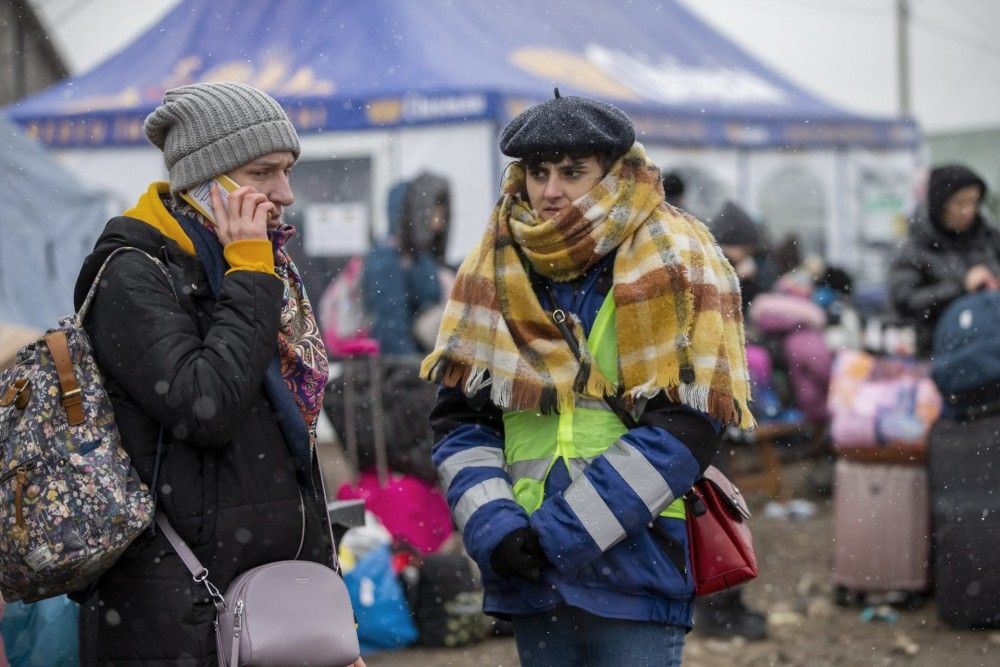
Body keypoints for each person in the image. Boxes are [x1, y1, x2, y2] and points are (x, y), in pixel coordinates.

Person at [421, 91, 754, 667]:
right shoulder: (493, 266)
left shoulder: (679, 258)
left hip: (636, 560)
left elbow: (689, 424)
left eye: (572, 172)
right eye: (539, 172)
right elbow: (461, 422)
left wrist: (561, 532)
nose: (551, 191)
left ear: (614, 173)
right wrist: (494, 526)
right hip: (527, 566)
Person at [73, 82, 363, 667]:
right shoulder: (133, 274)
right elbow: (205, 406)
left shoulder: (249, 263)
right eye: (263, 173)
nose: (284, 193)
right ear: (206, 179)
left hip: (272, 606)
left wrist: (332, 621)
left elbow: (295, 452)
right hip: (177, 617)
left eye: (288, 171)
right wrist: (250, 272)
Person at [889, 164, 997, 356]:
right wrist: (961, 287)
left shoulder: (990, 238)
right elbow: (905, 302)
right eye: (959, 203)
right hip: (941, 355)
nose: (968, 211)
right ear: (940, 204)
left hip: (992, 352)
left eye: (973, 202)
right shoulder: (914, 248)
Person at [363, 172, 452, 355]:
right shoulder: (387, 258)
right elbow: (391, 328)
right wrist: (416, 372)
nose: (439, 224)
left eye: (442, 215)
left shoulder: (421, 258)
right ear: (411, 214)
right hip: (401, 371)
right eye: (433, 214)